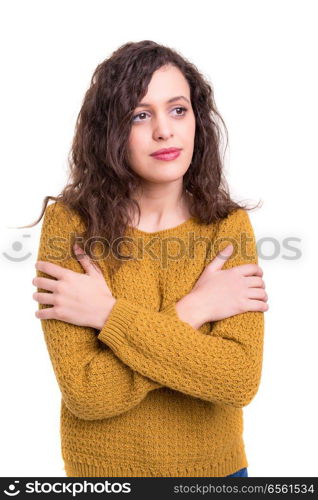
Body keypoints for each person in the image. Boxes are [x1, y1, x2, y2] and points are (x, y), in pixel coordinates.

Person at [25, 40, 268, 477]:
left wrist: (107, 314)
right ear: (110, 131)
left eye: (178, 110)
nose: (164, 131)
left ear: (197, 120)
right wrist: (197, 309)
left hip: (218, 476)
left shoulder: (226, 227)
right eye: (140, 115)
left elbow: (237, 379)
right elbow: (87, 393)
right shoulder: (70, 227)